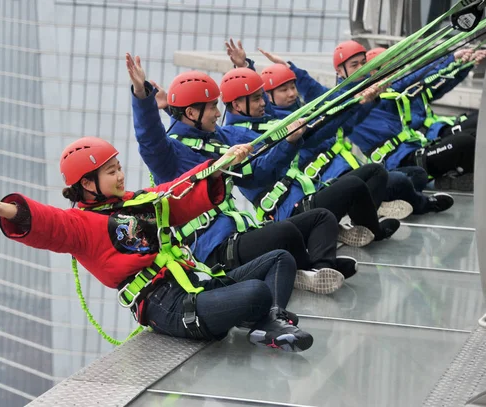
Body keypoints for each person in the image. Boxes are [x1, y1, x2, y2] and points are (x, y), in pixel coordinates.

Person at [0, 136, 314, 352]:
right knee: (255, 292)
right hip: (169, 305)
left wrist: (217, 167)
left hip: (194, 283)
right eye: (110, 171)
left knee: (280, 258)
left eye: (118, 167)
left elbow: (176, 193)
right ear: (87, 184)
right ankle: (266, 321)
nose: (120, 175)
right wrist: (8, 209)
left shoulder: (135, 203)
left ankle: (269, 322)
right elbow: (49, 223)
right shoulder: (82, 225)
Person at [128, 53, 357, 296]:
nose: (218, 113)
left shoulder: (220, 141)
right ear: (192, 114)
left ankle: (320, 270)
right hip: (216, 249)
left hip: (241, 234)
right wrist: (143, 97)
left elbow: (259, 174)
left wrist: (289, 142)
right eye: (212, 106)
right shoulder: (169, 156)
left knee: (320, 218)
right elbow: (149, 139)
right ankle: (309, 267)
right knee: (285, 232)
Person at [214, 60, 400, 244]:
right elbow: (263, 170)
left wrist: (356, 102)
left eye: (262, 97)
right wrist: (289, 141)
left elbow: (322, 125)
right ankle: (371, 231)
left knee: (375, 172)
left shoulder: (265, 123)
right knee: (362, 183)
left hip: (309, 195)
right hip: (291, 211)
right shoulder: (236, 138)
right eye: (257, 99)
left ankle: (359, 227)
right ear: (237, 105)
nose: (263, 103)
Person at [256, 60, 454, 216]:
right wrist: (246, 66)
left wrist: (365, 102)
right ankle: (397, 206)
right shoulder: (282, 126)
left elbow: (346, 121)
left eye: (293, 87)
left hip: (351, 169)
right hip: (330, 180)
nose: (291, 93)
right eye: (284, 90)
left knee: (414, 175)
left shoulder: (306, 111)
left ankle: (385, 204)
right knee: (400, 180)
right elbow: (325, 105)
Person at [331, 40, 476, 191]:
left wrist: (452, 60)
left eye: (364, 63)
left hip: (417, 146)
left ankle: (453, 179)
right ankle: (440, 182)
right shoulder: (342, 103)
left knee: (471, 136)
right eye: (355, 65)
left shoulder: (379, 91)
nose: (362, 69)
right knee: (466, 141)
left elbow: (414, 79)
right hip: (400, 160)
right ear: (340, 71)